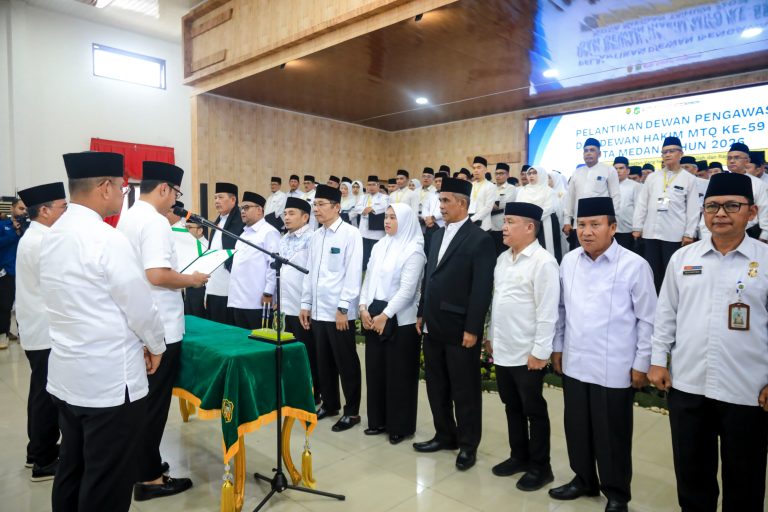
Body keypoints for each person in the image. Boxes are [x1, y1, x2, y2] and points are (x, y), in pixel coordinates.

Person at [41, 151, 166, 512]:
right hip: (108, 384)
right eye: (123, 189)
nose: (123, 195)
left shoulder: (52, 235)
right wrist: (156, 345)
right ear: (105, 187)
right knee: (106, 481)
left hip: (67, 375)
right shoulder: (105, 239)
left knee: (72, 467)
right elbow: (139, 306)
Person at [648, 172, 768, 512]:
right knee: (692, 475)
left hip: (746, 389)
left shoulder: (765, 259)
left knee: (745, 479)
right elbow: (666, 312)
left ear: (752, 212)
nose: (720, 214)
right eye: (712, 206)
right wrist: (657, 360)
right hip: (689, 384)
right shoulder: (684, 258)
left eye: (732, 206)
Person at [550, 197, 656, 512]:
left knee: (612, 434)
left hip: (615, 366)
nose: (586, 231)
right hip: (576, 361)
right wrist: (558, 346)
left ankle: (617, 493)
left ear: (613, 227)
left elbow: (648, 319)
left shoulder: (634, 265)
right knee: (577, 428)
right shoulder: (569, 261)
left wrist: (642, 363)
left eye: (595, 224)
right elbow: (561, 309)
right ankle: (584, 479)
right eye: (582, 224)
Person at [117, 161, 206, 501]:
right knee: (154, 406)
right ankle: (150, 479)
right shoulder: (154, 222)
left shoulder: (130, 216)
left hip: (138, 323)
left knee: (143, 402)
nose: (175, 202)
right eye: (175, 193)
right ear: (165, 188)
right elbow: (157, 274)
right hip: (161, 327)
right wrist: (192, 280)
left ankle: (144, 462)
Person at [413, 177, 495, 471]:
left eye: (446, 200)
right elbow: (429, 277)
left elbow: (481, 289)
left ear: (462, 203)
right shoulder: (436, 235)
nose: (441, 206)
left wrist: (473, 328)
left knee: (465, 390)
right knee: (437, 385)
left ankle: (468, 444)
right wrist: (421, 312)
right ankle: (445, 434)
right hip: (433, 323)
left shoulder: (480, 239)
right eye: (440, 200)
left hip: (460, 328)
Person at [486, 201, 559, 491]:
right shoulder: (503, 259)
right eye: (504, 222)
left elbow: (548, 311)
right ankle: (519, 456)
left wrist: (540, 352)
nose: (503, 227)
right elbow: (498, 301)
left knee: (534, 410)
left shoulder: (543, 262)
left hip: (528, 353)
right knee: (511, 406)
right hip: (503, 347)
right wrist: (491, 335)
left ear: (530, 227)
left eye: (510, 222)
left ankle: (541, 467)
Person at [359, 203, 425, 445]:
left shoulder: (414, 250)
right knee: (376, 371)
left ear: (406, 221)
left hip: (401, 321)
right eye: (386, 217)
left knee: (399, 375)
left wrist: (385, 314)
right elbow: (368, 279)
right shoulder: (379, 245)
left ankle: (399, 426)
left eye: (393, 217)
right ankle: (377, 421)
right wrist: (363, 307)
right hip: (374, 315)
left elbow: (407, 290)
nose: (387, 221)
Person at [300, 185, 364, 432]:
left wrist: (344, 308)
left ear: (337, 207)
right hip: (318, 311)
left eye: (321, 204)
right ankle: (330, 403)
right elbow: (309, 273)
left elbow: (353, 273)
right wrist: (306, 304)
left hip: (339, 313)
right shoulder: (316, 236)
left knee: (346, 362)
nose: (316, 209)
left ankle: (352, 411)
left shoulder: (350, 234)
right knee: (323, 361)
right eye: (315, 205)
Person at [16, 182, 67, 481]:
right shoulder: (44, 241)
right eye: (63, 207)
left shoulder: (35, 236)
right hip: (46, 330)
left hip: (37, 327)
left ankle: (36, 450)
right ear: (45, 211)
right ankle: (44, 460)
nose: (66, 212)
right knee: (47, 396)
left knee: (40, 392)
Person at [632, 137, 700, 292]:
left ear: (681, 153)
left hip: (674, 234)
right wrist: (637, 227)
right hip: (650, 232)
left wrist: (689, 233)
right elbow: (642, 203)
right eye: (664, 152)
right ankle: (652, 301)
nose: (667, 155)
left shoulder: (689, 179)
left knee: (672, 273)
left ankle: (671, 301)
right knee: (651, 271)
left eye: (671, 151)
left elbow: (693, 208)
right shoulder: (652, 177)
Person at [280, 197, 320, 404]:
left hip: (303, 306)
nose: (286, 217)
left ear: (305, 217)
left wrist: (307, 303)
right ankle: (295, 390)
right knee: (291, 350)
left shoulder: (313, 238)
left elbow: (311, 273)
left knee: (308, 351)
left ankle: (313, 393)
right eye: (285, 214)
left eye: (291, 213)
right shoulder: (284, 238)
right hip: (286, 305)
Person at [227, 192, 281, 329]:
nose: (242, 211)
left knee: (257, 339)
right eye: (241, 208)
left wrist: (268, 292)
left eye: (246, 207)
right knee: (241, 339)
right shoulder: (243, 234)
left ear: (259, 210)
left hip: (257, 301)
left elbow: (273, 265)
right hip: (238, 300)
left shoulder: (269, 232)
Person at [563, 138, 621, 250]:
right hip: (580, 223)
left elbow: (615, 196)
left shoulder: (608, 170)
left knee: (600, 252)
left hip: (600, 223)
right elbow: (570, 198)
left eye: (592, 150)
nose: (588, 153)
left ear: (599, 153)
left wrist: (612, 220)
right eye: (586, 151)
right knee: (580, 252)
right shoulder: (576, 173)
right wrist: (567, 221)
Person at [206, 182, 245, 325]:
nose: (216, 201)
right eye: (215, 198)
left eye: (220, 197)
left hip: (230, 287)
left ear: (233, 199)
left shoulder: (241, 221)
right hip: (213, 285)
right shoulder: (218, 221)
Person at [516, 166, 566, 262]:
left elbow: (548, 208)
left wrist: (531, 218)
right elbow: (519, 207)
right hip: (526, 225)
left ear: (541, 174)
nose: (531, 176)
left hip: (545, 223)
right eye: (529, 173)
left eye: (535, 173)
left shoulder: (549, 191)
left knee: (547, 250)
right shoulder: (522, 191)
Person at [0, 197, 26, 348]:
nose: (23, 212)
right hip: (7, 273)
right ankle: (3, 334)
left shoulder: (28, 227)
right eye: (20, 208)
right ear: (12, 208)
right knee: (5, 305)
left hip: (24, 273)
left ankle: (23, 333)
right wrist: (14, 233)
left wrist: (22, 230)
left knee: (24, 305)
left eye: (25, 209)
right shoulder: (2, 225)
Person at [354, 175, 388, 270]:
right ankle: (363, 270)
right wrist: (367, 209)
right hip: (363, 231)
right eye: (369, 185)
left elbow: (384, 207)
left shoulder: (384, 197)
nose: (371, 187)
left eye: (373, 184)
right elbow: (357, 208)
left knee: (375, 255)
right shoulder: (363, 197)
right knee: (364, 253)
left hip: (376, 232)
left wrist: (371, 209)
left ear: (378, 186)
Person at [613, 157, 641, 252]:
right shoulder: (608, 185)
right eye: (615, 168)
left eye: (621, 168)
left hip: (628, 230)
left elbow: (639, 208)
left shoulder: (635, 186)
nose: (618, 171)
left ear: (628, 171)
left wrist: (637, 228)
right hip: (611, 230)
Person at [489, 163, 517, 255]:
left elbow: (501, 205)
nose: (498, 176)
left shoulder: (511, 189)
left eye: (501, 173)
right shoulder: (490, 188)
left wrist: (487, 206)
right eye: (496, 173)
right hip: (489, 226)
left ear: (508, 175)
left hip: (502, 227)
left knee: (503, 253)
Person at [468, 157, 497, 232]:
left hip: (483, 225)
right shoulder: (471, 185)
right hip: (470, 224)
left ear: (485, 169)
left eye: (479, 167)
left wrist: (472, 219)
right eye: (474, 168)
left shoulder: (490, 186)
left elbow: (488, 207)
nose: (476, 170)